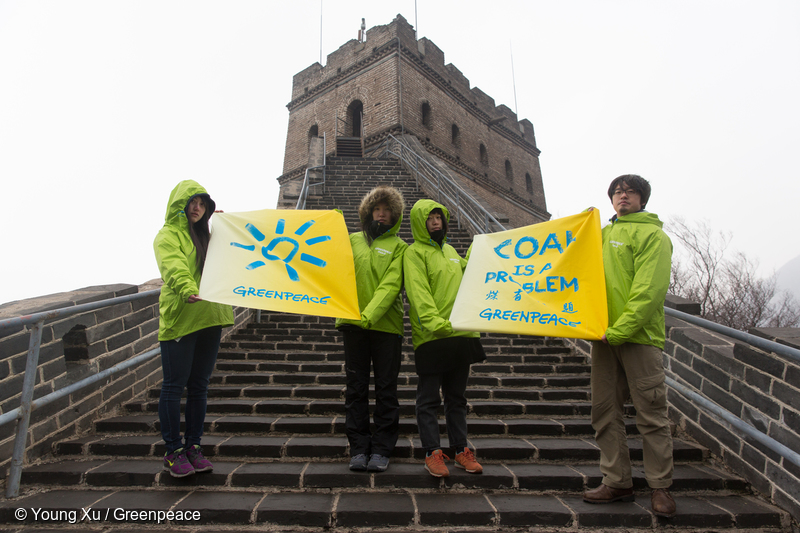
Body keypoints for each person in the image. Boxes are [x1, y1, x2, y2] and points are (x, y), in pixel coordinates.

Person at [582, 175, 676, 517]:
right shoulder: (602, 235)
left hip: (639, 338)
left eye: (630, 191)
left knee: (651, 415)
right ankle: (617, 481)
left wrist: (620, 329)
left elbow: (649, 291)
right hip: (603, 338)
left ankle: (660, 488)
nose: (623, 196)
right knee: (604, 412)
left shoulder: (654, 236)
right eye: (618, 192)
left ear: (642, 199)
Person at [154, 180, 233, 478]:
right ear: (180, 206)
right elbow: (174, 266)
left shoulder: (206, 235)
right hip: (182, 317)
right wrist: (187, 287)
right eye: (191, 202)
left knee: (199, 386)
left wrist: (225, 232)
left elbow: (230, 260)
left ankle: (194, 447)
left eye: (202, 202)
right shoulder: (167, 236)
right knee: (174, 385)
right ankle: (174, 451)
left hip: (210, 316)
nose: (196, 207)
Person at [403, 199, 486, 478]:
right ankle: (432, 452)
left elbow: (469, 271)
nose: (436, 222)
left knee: (456, 398)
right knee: (428, 399)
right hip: (432, 335)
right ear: (420, 222)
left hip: (459, 334)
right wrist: (436, 323)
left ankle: (460, 450)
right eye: (430, 218)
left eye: (439, 217)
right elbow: (418, 292)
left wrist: (483, 246)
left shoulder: (450, 250)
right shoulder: (414, 253)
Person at [335, 186, 407, 472]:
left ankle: (382, 449)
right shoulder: (351, 240)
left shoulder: (400, 247)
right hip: (353, 324)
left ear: (394, 215)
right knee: (356, 389)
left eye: (387, 209)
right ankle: (359, 448)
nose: (381, 213)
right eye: (377, 208)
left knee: (386, 389)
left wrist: (369, 315)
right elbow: (330, 258)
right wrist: (330, 221)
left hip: (385, 327)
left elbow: (391, 285)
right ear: (368, 211)